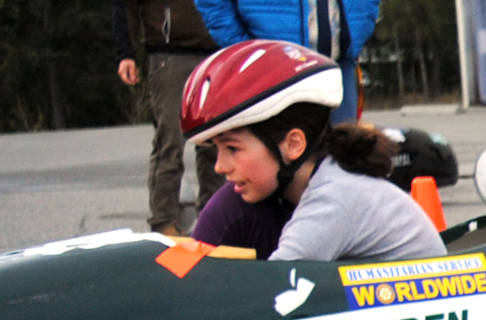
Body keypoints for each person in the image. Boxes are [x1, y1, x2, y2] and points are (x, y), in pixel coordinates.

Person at [182, 40, 445, 262]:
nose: (220, 165)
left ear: (294, 144)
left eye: (232, 148)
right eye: (217, 149)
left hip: (426, 308)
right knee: (234, 202)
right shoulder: (320, 178)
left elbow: (272, 297)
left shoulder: (331, 201)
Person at [114, 0, 220, 236]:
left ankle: (214, 222)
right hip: (169, 51)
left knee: (217, 141)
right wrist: (126, 53)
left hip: (217, 48)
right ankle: (164, 225)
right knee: (170, 143)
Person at [193, 0, 380, 124]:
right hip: (272, 68)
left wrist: (360, 28)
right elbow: (212, 4)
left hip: (340, 64)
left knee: (344, 161)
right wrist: (245, 47)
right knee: (281, 166)